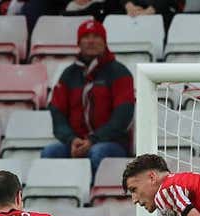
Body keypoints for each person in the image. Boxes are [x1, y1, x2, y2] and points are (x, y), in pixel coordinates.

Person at [43, 19, 134, 178]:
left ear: (104, 42)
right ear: (79, 43)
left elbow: (123, 115)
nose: (91, 41)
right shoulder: (68, 74)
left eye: (96, 36)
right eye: (86, 37)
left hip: (111, 143)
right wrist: (72, 140)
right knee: (50, 152)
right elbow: (57, 112)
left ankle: (91, 198)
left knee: (97, 151)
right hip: (75, 143)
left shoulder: (119, 72)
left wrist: (93, 140)